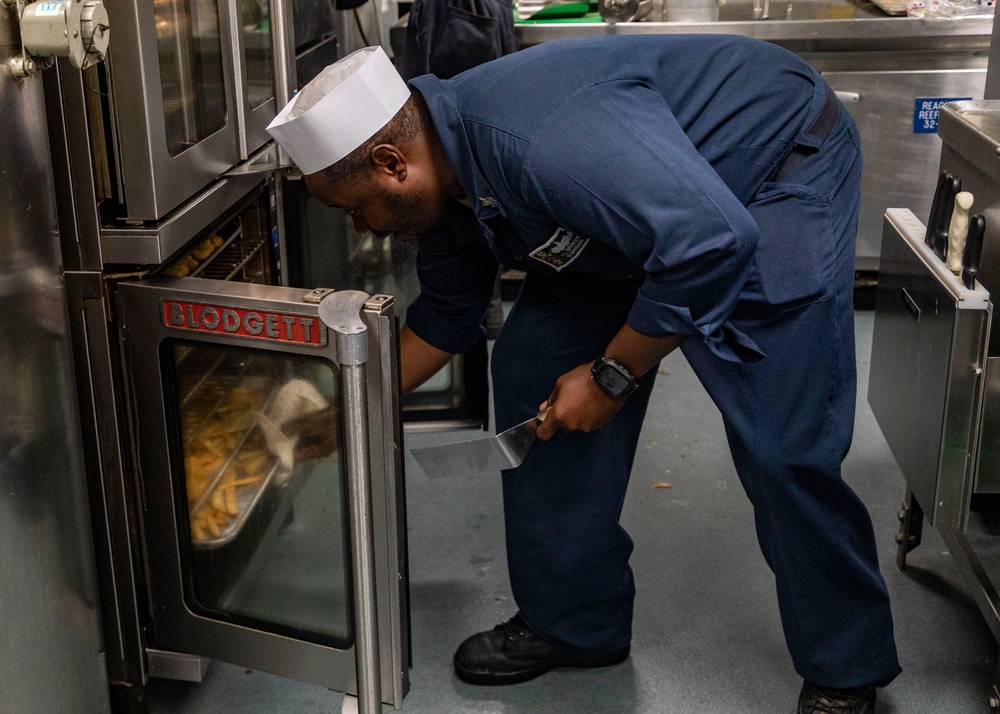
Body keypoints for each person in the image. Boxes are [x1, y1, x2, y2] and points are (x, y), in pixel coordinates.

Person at [267, 37, 900, 714]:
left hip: (763, 174)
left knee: (781, 443)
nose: (362, 226)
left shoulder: (542, 141)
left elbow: (711, 241)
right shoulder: (442, 183)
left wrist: (611, 376)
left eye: (352, 207)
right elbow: (448, 314)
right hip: (631, 218)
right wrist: (349, 412)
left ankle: (843, 667)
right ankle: (575, 621)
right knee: (529, 371)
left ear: (391, 163)